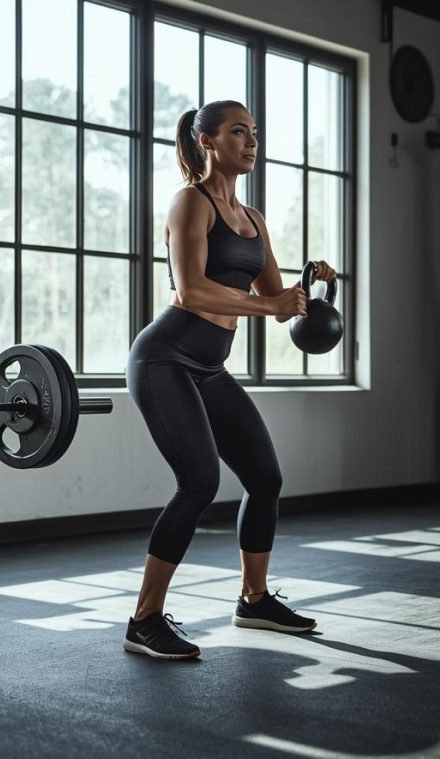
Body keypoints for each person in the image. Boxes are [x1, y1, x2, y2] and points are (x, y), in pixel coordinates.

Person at [124, 100, 336, 659]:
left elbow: (276, 299)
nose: (251, 141)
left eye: (255, 132)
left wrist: (306, 285)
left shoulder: (253, 218)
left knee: (264, 478)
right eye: (238, 132)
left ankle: (254, 599)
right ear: (206, 142)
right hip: (164, 359)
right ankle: (143, 620)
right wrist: (269, 308)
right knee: (198, 482)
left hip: (209, 366)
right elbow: (190, 290)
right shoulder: (189, 204)